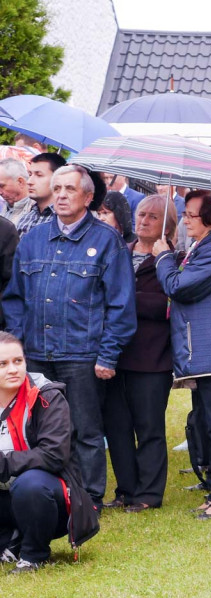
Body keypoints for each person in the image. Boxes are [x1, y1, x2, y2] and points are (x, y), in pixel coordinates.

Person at [4, 164, 135, 509]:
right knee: (37, 426)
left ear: (88, 197)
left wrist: (108, 355)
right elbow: (14, 298)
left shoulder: (108, 242)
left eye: (70, 190)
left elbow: (121, 305)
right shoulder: (32, 240)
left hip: (82, 353)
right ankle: (45, 487)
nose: (61, 195)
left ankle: (89, 497)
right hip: (35, 352)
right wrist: (17, 346)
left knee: (86, 429)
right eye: (57, 188)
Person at [154, 190, 211, 520]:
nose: (186, 221)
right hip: (209, 352)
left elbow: (178, 286)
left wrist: (164, 258)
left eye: (192, 216)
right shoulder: (207, 246)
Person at [102, 196, 179, 512]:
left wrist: (126, 300)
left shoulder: (174, 259)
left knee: (149, 427)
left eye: (152, 216)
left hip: (152, 358)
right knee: (116, 426)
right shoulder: (119, 251)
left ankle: (148, 494)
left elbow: (171, 304)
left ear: (167, 224)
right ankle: (126, 490)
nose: (144, 220)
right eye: (141, 214)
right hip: (114, 355)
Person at [0, 332, 100, 573]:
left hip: (48, 499)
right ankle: (10, 539)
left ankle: (34, 554)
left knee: (30, 484)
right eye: (2, 364)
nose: (13, 369)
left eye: (18, 361)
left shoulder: (47, 395)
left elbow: (53, 455)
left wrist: (3, 464)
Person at [15, 153, 65, 237]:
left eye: (39, 175)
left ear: (57, 179)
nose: (30, 181)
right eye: (30, 174)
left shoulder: (64, 219)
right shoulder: (27, 217)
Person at [0, 158, 33, 226]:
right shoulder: (6, 206)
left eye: (2, 186)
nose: (0, 192)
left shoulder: (36, 210)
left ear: (20, 182)